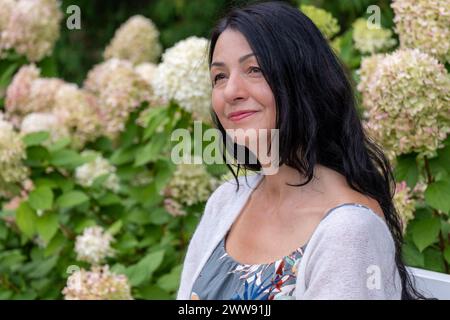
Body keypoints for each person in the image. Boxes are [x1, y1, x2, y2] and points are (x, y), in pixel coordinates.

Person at [176, 1, 429, 300]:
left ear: (304, 80)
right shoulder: (226, 202)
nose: (231, 91)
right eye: (219, 76)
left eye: (254, 69)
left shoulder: (349, 232)